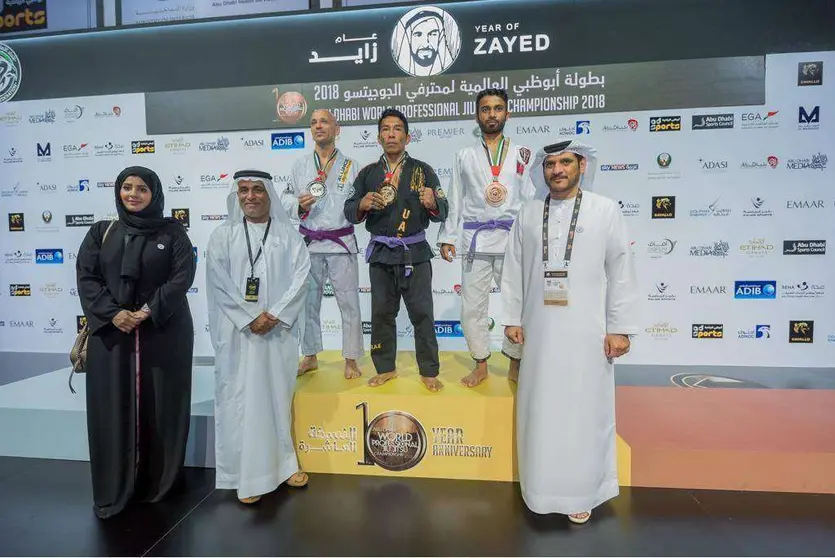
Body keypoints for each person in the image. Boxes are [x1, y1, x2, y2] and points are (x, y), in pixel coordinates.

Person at [501, 140, 639, 523]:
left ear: (581, 165)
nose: (557, 170)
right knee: (541, 410)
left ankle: (583, 491)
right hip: (539, 333)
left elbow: (621, 271)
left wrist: (621, 328)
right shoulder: (527, 214)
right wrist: (512, 318)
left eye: (565, 162)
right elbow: (512, 271)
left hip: (587, 333)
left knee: (582, 409)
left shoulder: (605, 210)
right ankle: (539, 490)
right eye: (550, 164)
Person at [75, 166, 196, 519]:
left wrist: (144, 312)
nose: (133, 194)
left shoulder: (173, 232)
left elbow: (181, 276)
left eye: (142, 188)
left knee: (163, 404)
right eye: (127, 187)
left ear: (154, 193)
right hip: (112, 335)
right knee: (112, 406)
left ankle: (159, 483)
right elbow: (87, 277)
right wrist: (113, 314)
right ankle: (116, 485)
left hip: (163, 331)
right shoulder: (101, 232)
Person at [206, 169, 311, 504]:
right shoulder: (222, 236)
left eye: (256, 190)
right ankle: (242, 474)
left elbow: (301, 277)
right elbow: (219, 283)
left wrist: (275, 314)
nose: (250, 196)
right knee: (239, 400)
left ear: (269, 194)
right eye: (243, 191)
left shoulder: (288, 235)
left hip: (277, 333)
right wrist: (250, 317)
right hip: (238, 335)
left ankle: (284, 465)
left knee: (277, 397)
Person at [343, 108, 449, 392]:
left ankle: (428, 370)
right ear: (378, 138)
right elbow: (349, 210)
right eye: (386, 129)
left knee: (422, 314)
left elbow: (443, 211)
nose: (391, 134)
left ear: (407, 136)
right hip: (380, 253)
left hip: (415, 253)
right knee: (381, 314)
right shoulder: (367, 174)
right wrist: (362, 204)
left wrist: (432, 203)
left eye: (397, 129)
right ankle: (385, 368)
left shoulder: (424, 171)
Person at [437, 88, 535, 387]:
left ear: (508, 112)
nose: (492, 114)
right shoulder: (464, 156)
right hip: (475, 240)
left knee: (518, 304)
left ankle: (516, 362)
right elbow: (455, 197)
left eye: (498, 108)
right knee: (471, 307)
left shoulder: (523, 154)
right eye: (486, 109)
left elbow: (530, 199)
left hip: (512, 240)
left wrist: (534, 237)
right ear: (477, 114)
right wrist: (447, 236)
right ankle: (480, 363)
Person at [282, 109, 364, 380]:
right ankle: (310, 355)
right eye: (314, 122)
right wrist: (297, 205)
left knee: (349, 303)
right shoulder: (299, 165)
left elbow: (356, 206)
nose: (319, 126)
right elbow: (284, 199)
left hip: (341, 242)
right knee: (307, 304)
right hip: (309, 243)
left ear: (336, 129)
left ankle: (351, 358)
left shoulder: (352, 166)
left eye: (324, 122)